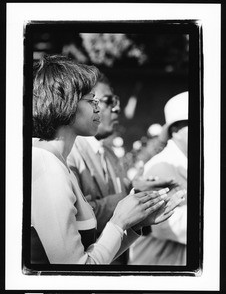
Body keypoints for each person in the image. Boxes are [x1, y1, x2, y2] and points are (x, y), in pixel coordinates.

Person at [31, 55, 185, 265]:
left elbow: (94, 254)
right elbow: (75, 272)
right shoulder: (46, 165)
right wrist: (119, 220)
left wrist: (134, 223)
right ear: (65, 103)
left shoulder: (58, 161)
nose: (98, 108)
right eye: (90, 100)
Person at [129, 91, 188, 266]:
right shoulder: (161, 166)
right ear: (175, 130)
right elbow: (164, 224)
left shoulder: (190, 161)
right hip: (156, 270)